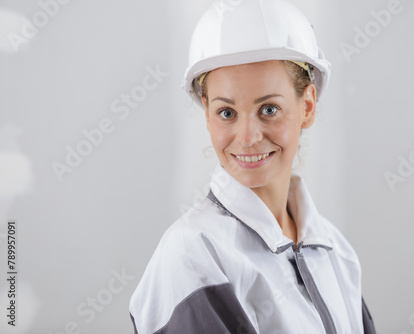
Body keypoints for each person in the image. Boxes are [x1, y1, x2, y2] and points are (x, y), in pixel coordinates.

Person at [129, 0, 376, 333]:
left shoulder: (336, 253)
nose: (247, 137)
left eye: (269, 109)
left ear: (307, 105)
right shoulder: (193, 254)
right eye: (227, 113)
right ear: (206, 112)